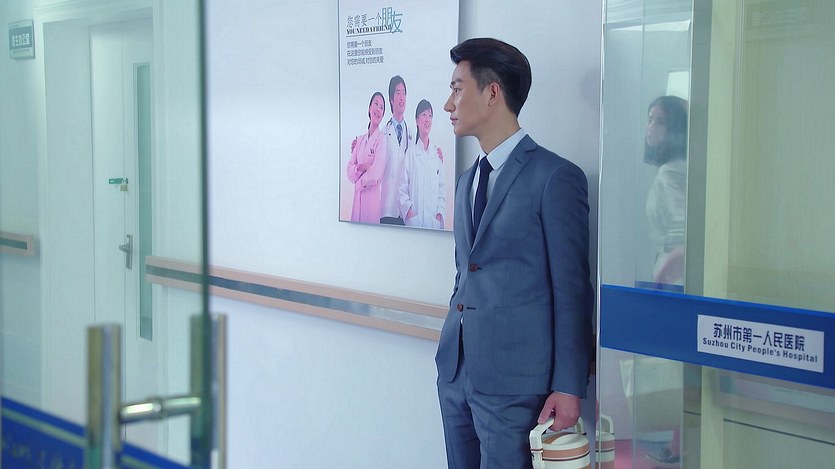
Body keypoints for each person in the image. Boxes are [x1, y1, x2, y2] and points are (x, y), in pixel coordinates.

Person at [435, 38, 594, 468]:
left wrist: (569, 385)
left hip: (518, 385)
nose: (448, 104)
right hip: (456, 373)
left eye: (457, 89)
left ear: (492, 93)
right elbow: (465, 273)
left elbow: (572, 291)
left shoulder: (555, 177)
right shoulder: (467, 181)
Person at [644, 95, 688, 287]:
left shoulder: (670, 171)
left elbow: (682, 223)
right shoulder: (673, 166)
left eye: (660, 122)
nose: (651, 127)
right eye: (650, 119)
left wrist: (670, 264)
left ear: (675, 127)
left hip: (674, 273)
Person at [399, 99, 446, 229]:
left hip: (433, 224)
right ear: (416, 120)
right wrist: (410, 214)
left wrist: (439, 215)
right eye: (424, 114)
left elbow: (441, 189)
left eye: (430, 115)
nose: (427, 119)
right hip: (414, 222)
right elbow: (402, 189)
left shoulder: (436, 155)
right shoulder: (411, 153)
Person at [346, 92, 388, 223]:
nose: (378, 109)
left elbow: (376, 173)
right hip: (356, 204)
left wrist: (359, 182)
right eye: (376, 104)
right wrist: (362, 167)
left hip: (371, 205)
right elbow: (349, 172)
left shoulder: (382, 140)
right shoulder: (359, 140)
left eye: (382, 107)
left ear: (383, 114)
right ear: (369, 108)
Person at [380, 75, 411, 225]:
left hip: (406, 208)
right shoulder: (382, 134)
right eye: (398, 92)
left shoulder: (413, 135)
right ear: (391, 99)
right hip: (387, 205)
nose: (402, 97)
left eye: (404, 93)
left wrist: (437, 156)